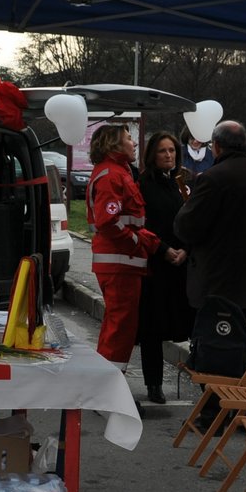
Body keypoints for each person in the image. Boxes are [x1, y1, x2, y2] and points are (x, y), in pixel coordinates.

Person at [173, 121, 246, 427]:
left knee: (217, 350)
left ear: (216, 147)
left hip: (220, 283)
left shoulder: (213, 178)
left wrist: (185, 207)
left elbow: (187, 227)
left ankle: (214, 416)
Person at [86, 123, 161, 365]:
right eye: (129, 138)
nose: (135, 143)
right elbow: (108, 222)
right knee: (121, 328)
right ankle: (110, 392)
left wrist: (150, 241)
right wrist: (137, 241)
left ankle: (106, 386)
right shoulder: (113, 175)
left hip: (121, 262)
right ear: (113, 144)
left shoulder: (118, 172)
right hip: (120, 262)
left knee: (117, 325)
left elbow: (128, 220)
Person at [135, 131, 194, 404]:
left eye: (172, 150)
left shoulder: (181, 182)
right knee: (152, 328)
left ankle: (198, 375)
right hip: (155, 263)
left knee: (186, 321)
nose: (168, 155)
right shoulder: (142, 183)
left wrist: (186, 248)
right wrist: (162, 249)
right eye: (162, 151)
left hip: (181, 263)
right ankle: (154, 384)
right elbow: (142, 225)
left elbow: (191, 218)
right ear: (152, 155)